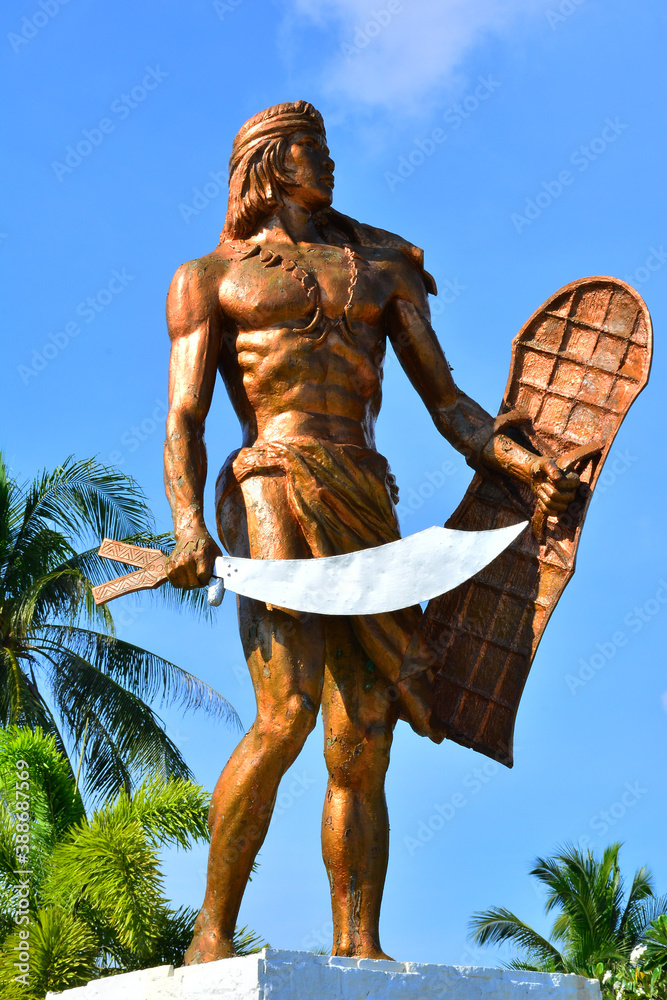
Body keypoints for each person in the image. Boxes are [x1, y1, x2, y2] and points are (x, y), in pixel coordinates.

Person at [163, 100, 578, 963]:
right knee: (286, 712)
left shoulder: (379, 266)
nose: (330, 163)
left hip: (363, 491)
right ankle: (211, 935)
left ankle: (359, 946)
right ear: (273, 164)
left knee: (364, 731)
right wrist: (187, 523)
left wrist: (518, 465)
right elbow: (186, 417)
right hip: (271, 481)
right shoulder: (209, 278)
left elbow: (450, 405)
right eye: (313, 150)